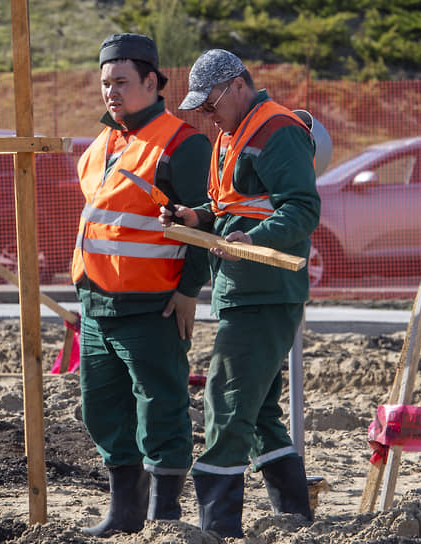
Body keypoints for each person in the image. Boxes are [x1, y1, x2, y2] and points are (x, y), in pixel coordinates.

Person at [163, 48, 321, 538]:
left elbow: (301, 209)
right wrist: (196, 218)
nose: (206, 116)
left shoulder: (277, 130)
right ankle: (295, 517)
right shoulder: (231, 136)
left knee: (226, 402)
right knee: (260, 414)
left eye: (209, 104)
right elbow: (231, 207)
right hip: (243, 288)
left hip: (266, 290)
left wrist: (253, 241)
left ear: (236, 85)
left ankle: (218, 528)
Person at [72, 33, 212, 537]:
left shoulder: (183, 143)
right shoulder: (105, 141)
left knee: (161, 406)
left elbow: (203, 223)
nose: (111, 92)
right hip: (96, 303)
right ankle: (124, 511)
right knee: (101, 408)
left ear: (152, 82)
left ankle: (164, 515)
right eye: (106, 83)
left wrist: (189, 290)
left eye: (122, 82)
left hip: (153, 304)